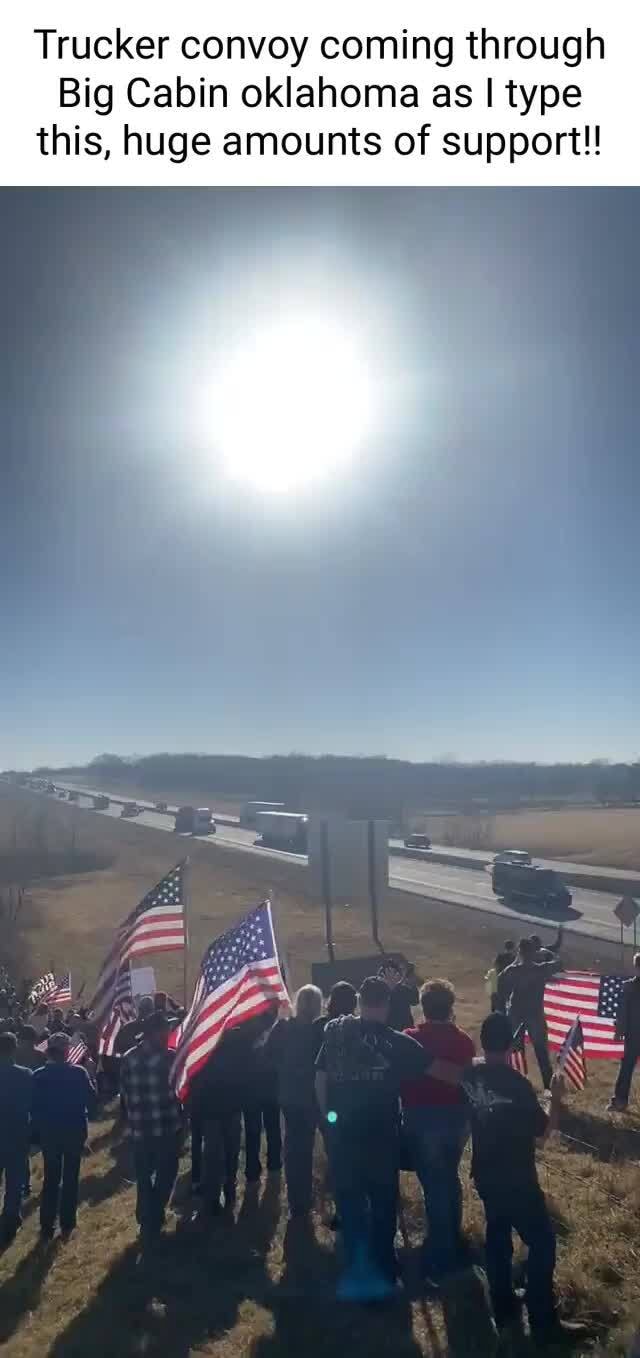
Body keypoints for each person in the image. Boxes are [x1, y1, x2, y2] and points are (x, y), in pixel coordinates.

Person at [315, 975, 462, 1301]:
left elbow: (320, 1078)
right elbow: (442, 1072)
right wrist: (482, 1071)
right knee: (382, 1207)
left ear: (360, 1001)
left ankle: (356, 1271)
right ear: (386, 1005)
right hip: (380, 1138)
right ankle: (383, 1273)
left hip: (342, 1137)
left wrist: (328, 1119)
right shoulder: (396, 1042)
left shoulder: (336, 1033)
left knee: (351, 1206)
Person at [463, 1012, 590, 1346]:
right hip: (517, 1178)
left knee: (498, 1238)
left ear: (483, 1040)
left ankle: (503, 1308)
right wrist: (557, 1099)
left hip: (485, 1174)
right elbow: (543, 1133)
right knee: (543, 1242)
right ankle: (543, 1318)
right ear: (511, 1044)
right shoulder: (519, 1086)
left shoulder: (470, 1075)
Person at [402, 980, 475, 1280]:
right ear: (451, 1007)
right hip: (456, 1120)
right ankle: (453, 1240)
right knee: (449, 1179)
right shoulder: (464, 1041)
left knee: (433, 1187)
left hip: (421, 1119)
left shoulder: (409, 1038)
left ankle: (440, 1255)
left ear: (423, 1005)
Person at [120, 1012, 183, 1245]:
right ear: (155, 1033)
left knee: (145, 1177)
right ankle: (153, 1215)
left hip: (140, 1128)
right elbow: (179, 1091)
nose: (168, 1034)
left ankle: (147, 1217)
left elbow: (124, 1094)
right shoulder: (170, 1059)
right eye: (165, 1030)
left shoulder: (128, 1058)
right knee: (167, 1174)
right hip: (165, 1127)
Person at [32, 1031, 97, 1241]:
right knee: (70, 1177)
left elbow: (32, 1106)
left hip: (49, 1134)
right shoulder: (78, 1073)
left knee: (51, 1179)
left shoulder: (39, 1075)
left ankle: (46, 1224)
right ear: (67, 1050)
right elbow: (92, 1100)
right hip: (73, 1131)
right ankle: (67, 1222)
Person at [266, 984, 325, 1218]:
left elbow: (267, 1055)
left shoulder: (283, 1027)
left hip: (289, 1095)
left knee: (293, 1148)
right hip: (313, 1096)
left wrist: (283, 1069)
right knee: (307, 1146)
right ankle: (306, 1198)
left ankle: (296, 1202)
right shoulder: (321, 1030)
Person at [496, 937, 562, 1089]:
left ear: (520, 952)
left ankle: (516, 1084)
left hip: (515, 1013)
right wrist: (548, 953)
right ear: (533, 953)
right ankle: (548, 1087)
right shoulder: (541, 969)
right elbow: (559, 963)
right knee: (541, 1053)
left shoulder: (512, 971)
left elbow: (500, 985)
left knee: (515, 1051)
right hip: (535, 1014)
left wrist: (515, 962)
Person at [242, 1003, 281, 1183]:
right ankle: (272, 1164)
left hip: (253, 1087)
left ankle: (253, 1170)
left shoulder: (246, 1027)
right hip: (267, 1086)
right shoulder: (275, 1028)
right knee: (270, 1127)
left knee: (254, 1130)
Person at [0, 1031, 33, 1244]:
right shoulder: (25, 1074)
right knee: (14, 1181)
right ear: (14, 1048)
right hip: (17, 1134)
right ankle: (10, 1221)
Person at [608, 952, 640, 1112]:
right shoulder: (628, 986)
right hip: (633, 1033)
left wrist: (619, 1030)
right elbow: (623, 1011)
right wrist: (620, 1029)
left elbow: (622, 1011)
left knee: (626, 1067)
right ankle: (619, 1100)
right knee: (626, 1066)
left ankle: (620, 1100)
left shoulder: (628, 986)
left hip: (633, 1033)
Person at [379, 960, 419, 1031]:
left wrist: (412, 984)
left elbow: (415, 1001)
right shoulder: (379, 990)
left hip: (405, 1029)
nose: (394, 977)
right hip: (390, 1030)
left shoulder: (402, 989)